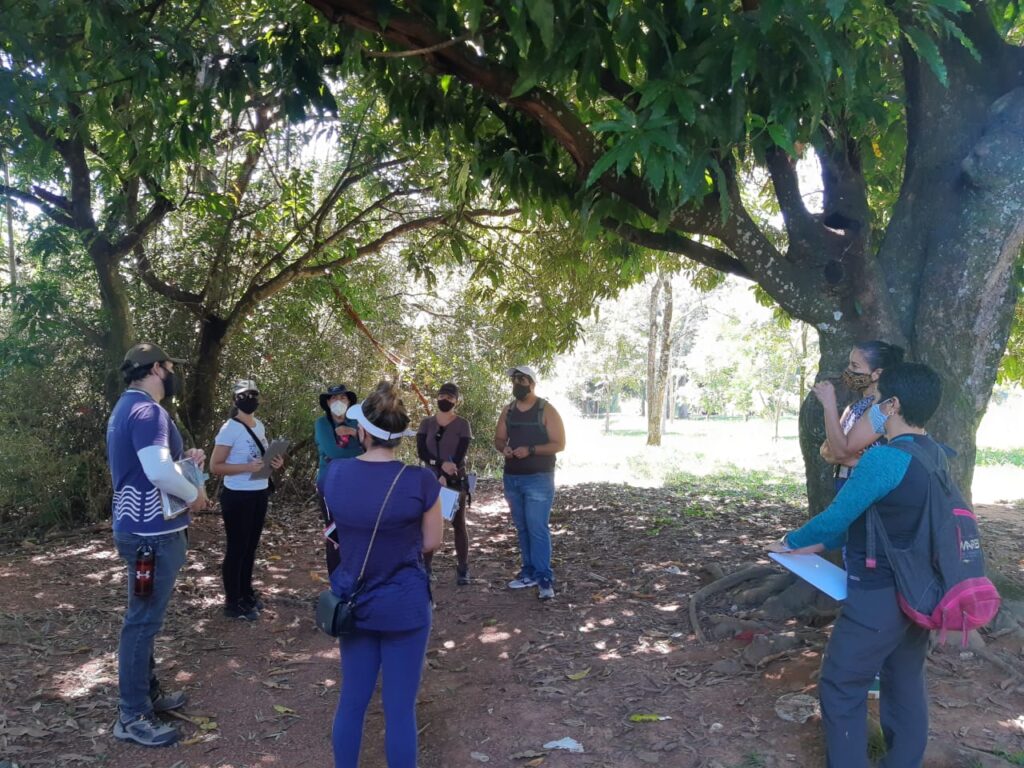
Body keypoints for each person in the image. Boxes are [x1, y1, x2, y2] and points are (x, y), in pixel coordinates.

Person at [768, 362, 944, 768]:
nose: (876, 409)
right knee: (905, 683)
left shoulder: (884, 459)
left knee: (841, 686)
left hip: (877, 594)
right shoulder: (935, 454)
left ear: (894, 405)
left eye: (881, 401)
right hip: (920, 591)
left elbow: (840, 513)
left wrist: (791, 543)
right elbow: (881, 517)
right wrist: (823, 544)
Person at [318, 381, 443, 768]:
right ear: (399, 437)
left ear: (363, 431)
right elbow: (431, 542)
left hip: (354, 602)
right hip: (405, 604)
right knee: (400, 710)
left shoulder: (333, 475)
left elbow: (336, 535)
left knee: (352, 702)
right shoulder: (421, 481)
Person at [106, 342, 208, 747]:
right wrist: (195, 496)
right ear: (154, 369)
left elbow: (157, 466)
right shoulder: (148, 411)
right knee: (142, 620)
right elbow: (157, 472)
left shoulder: (126, 408)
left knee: (143, 617)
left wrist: (188, 464)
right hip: (152, 535)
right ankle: (132, 715)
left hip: (140, 528)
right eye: (169, 366)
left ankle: (146, 695)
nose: (173, 373)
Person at [210, 379, 284, 621]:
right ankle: (233, 602)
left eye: (253, 394)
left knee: (251, 546)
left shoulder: (259, 425)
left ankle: (246, 592)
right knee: (237, 548)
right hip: (237, 495)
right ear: (235, 400)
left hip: (259, 491)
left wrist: (275, 463)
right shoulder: (229, 428)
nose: (249, 399)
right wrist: (245, 467)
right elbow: (215, 466)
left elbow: (261, 456)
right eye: (243, 395)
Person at [493, 365, 565, 601]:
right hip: (512, 477)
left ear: (532, 383)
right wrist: (505, 448)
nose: (518, 384)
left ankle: (545, 577)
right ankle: (529, 572)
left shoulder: (546, 410)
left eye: (522, 380)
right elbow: (499, 438)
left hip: (539, 478)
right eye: (514, 380)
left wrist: (531, 450)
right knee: (522, 527)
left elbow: (559, 444)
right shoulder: (509, 410)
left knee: (537, 527)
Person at [814, 341, 905, 490]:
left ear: (877, 373)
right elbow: (826, 449)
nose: (848, 370)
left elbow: (839, 451)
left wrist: (829, 404)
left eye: (855, 366)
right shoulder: (854, 408)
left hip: (868, 488)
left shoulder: (884, 408)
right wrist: (848, 457)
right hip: (845, 486)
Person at [417, 382, 473, 585]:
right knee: (429, 523)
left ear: (456, 401)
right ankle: (427, 567)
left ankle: (463, 568)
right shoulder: (427, 423)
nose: (445, 400)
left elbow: (460, 455)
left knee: (458, 523)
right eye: (442, 396)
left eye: (450, 398)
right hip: (431, 479)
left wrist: (448, 474)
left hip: (455, 479)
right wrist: (440, 468)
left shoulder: (462, 424)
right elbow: (422, 452)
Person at [315, 384, 363, 573]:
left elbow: (372, 447)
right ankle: (336, 580)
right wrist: (358, 448)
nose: (338, 402)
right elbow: (333, 451)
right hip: (330, 484)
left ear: (349, 402)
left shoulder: (356, 423)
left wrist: (353, 434)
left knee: (356, 529)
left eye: (343, 398)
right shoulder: (322, 424)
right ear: (327, 402)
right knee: (334, 533)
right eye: (334, 398)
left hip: (355, 485)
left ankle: (354, 576)